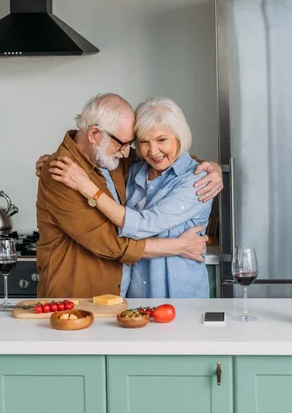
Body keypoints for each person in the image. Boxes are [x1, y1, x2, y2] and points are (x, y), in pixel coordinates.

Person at [36, 93, 223, 298]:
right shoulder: (64, 173)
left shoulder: (113, 158)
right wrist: (177, 246)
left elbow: (166, 159)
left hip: (147, 300)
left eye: (130, 144)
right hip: (76, 298)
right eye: (128, 144)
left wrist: (212, 168)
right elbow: (112, 244)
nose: (127, 153)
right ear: (94, 134)